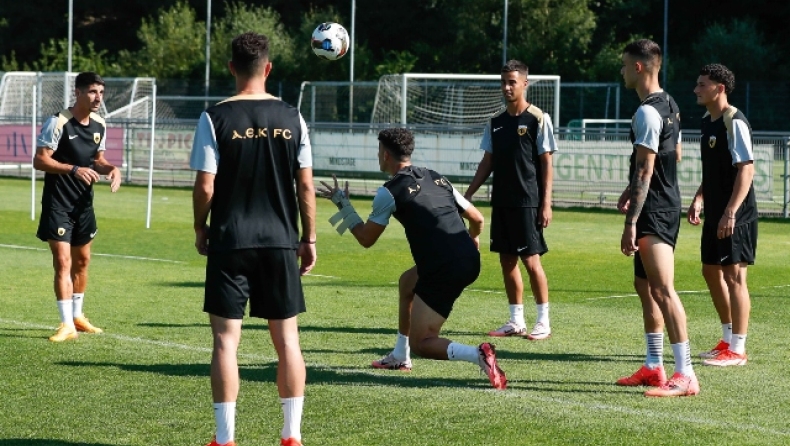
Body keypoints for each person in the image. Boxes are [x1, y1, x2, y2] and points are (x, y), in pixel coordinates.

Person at [190, 32, 316, 446]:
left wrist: (200, 226)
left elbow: (205, 186)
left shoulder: (214, 118)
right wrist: (310, 237)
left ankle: (225, 439)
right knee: (288, 341)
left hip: (231, 240)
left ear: (231, 68)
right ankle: (291, 436)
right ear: (268, 68)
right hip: (280, 240)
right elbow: (306, 186)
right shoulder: (293, 117)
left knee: (226, 342)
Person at [318, 127, 507, 390]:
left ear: (385, 154)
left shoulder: (389, 191)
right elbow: (477, 218)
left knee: (423, 342)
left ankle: (477, 354)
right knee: (407, 283)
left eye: (379, 151)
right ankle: (400, 355)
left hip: (444, 266)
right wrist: (473, 240)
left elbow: (365, 238)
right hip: (467, 257)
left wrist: (343, 204)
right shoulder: (435, 177)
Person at [615, 39, 699, 397]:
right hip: (659, 203)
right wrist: (630, 189)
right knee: (645, 286)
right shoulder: (670, 104)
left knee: (663, 290)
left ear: (638, 67)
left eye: (624, 65)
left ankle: (686, 374)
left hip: (657, 210)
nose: (621, 71)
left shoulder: (647, 112)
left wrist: (631, 222)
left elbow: (645, 170)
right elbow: (673, 154)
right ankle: (653, 365)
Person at [463, 59, 558, 341]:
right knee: (507, 261)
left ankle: (543, 321)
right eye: (503, 82)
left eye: (512, 82)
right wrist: (469, 194)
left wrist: (546, 203)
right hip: (502, 202)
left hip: (528, 202)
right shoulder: (495, 122)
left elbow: (547, 163)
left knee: (531, 261)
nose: (506, 87)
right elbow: (487, 161)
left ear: (524, 84)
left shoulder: (538, 119)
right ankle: (516, 320)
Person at [33, 71, 121, 342]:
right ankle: (66, 324)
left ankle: (78, 317)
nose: (98, 98)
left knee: (82, 262)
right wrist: (73, 169)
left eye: (101, 93)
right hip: (58, 204)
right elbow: (40, 160)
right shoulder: (58, 122)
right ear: (78, 93)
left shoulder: (99, 124)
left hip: (83, 205)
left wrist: (112, 169)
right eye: (93, 92)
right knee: (63, 262)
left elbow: (98, 160)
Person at [688, 63, 757, 367]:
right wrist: (699, 197)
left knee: (734, 276)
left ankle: (738, 350)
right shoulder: (708, 122)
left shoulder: (734, 122)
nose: (696, 89)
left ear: (719, 88)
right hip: (715, 210)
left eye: (702, 84)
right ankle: (727, 340)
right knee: (710, 270)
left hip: (735, 212)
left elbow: (746, 169)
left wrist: (730, 212)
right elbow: (714, 170)